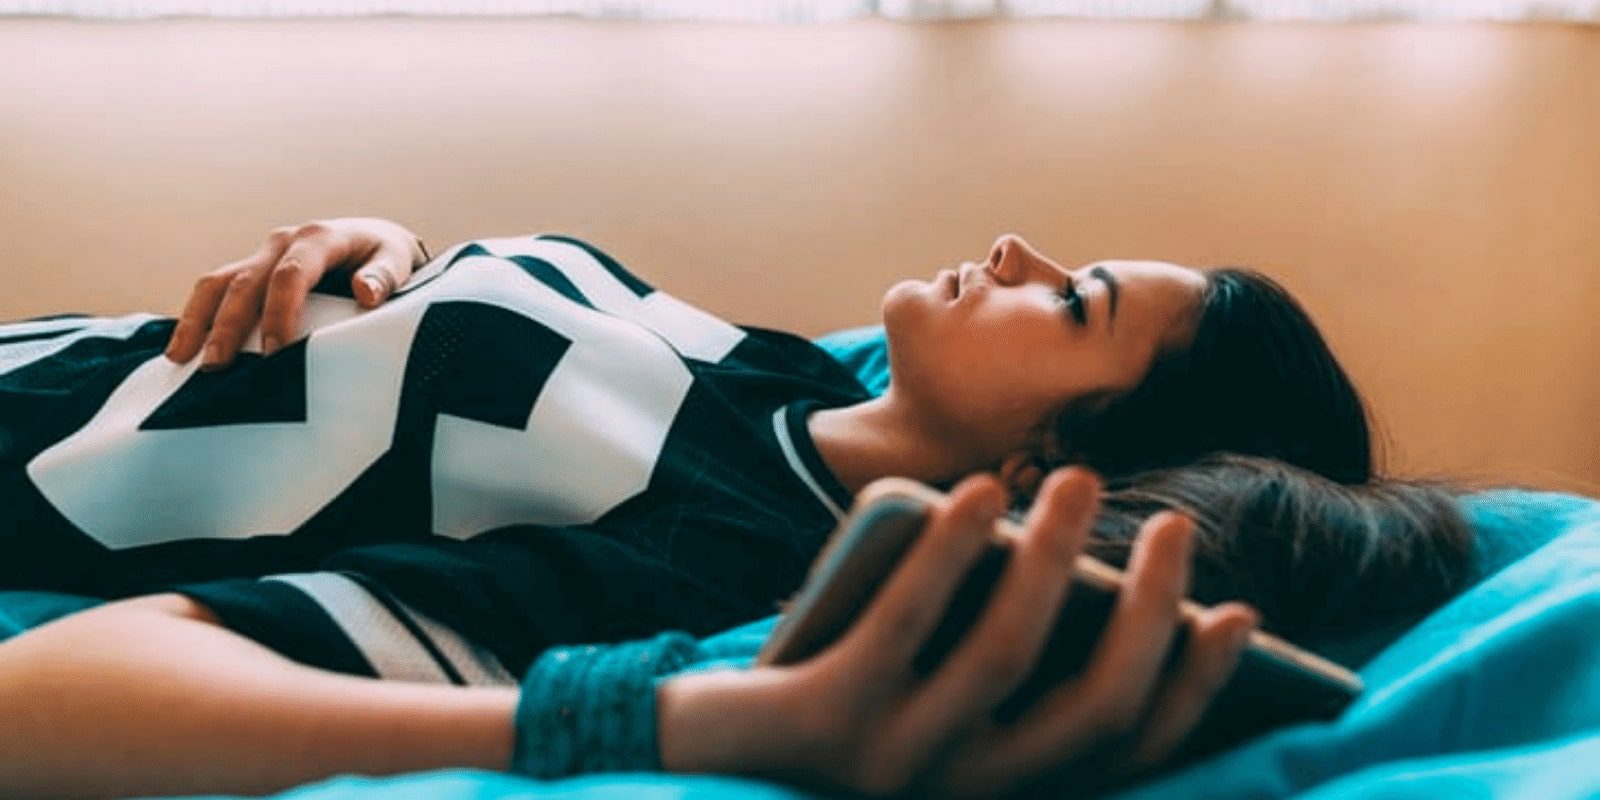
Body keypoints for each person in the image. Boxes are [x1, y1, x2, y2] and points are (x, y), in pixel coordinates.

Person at [0, 218, 1402, 797]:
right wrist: (383, 254)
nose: (1015, 248)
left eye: (1073, 303)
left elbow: (43, 696)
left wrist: (661, 719)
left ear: (1049, 472)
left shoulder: (708, 554)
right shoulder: (785, 370)